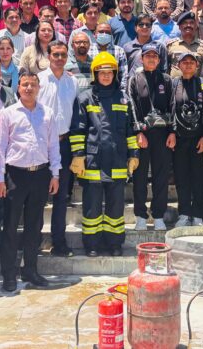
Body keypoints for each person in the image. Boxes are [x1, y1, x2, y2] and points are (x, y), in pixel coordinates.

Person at [0, 71, 60, 292]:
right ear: (18, 88)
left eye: (33, 84)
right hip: (15, 175)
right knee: (11, 225)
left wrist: (55, 174)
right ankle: (9, 273)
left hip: (40, 174)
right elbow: (0, 146)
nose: (29, 88)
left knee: (35, 225)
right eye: (25, 85)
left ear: (38, 88)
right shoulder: (8, 113)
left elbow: (53, 145)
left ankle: (30, 269)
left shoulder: (47, 113)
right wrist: (0, 177)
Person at [69, 53, 140, 256]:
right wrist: (78, 155)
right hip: (93, 162)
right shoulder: (85, 98)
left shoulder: (123, 99)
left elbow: (129, 130)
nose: (106, 76)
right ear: (95, 74)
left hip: (117, 161)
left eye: (110, 72)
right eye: (102, 72)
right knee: (92, 207)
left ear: (115, 74)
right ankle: (91, 244)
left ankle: (114, 243)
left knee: (116, 208)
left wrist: (134, 154)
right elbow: (78, 129)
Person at [37, 42, 78, 258]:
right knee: (37, 196)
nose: (60, 58)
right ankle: (34, 241)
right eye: (56, 54)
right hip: (41, 144)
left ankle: (59, 242)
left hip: (64, 143)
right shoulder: (39, 80)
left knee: (61, 196)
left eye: (63, 55)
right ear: (48, 56)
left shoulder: (73, 81)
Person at [128, 44, 174, 231]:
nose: (151, 59)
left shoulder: (167, 80)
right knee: (140, 176)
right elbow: (131, 105)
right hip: (143, 135)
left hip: (162, 135)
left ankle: (158, 215)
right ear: (142, 59)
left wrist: (172, 132)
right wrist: (138, 131)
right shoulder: (134, 79)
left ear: (159, 59)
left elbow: (172, 106)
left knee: (161, 176)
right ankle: (140, 215)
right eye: (148, 56)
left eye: (155, 56)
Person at [171, 52, 203, 226]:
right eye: (184, 62)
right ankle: (184, 213)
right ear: (179, 65)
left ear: (197, 65)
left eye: (191, 62)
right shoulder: (173, 84)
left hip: (198, 140)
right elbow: (170, 110)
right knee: (182, 178)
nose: (188, 65)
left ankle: (198, 215)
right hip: (179, 139)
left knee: (199, 178)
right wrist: (172, 132)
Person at [166, 11, 203, 78]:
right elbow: (166, 68)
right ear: (179, 27)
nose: (188, 25)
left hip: (197, 84)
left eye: (191, 23)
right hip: (175, 83)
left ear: (196, 26)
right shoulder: (170, 45)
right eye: (185, 23)